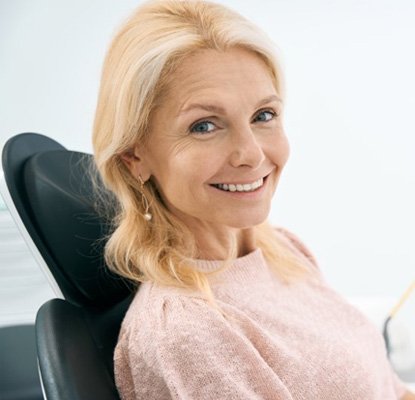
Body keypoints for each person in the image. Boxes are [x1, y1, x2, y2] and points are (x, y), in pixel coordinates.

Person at [92, 1, 415, 399]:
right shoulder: (187, 331)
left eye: (263, 116)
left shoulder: (283, 251)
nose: (252, 154)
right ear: (134, 156)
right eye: (204, 126)